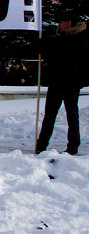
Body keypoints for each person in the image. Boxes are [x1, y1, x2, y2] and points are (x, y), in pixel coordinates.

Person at [36, 11, 88, 155]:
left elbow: (61, 52)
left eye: (61, 22)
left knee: (70, 114)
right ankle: (42, 144)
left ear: (68, 23)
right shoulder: (63, 38)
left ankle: (72, 146)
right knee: (51, 115)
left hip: (70, 82)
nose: (59, 25)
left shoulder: (79, 39)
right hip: (58, 82)